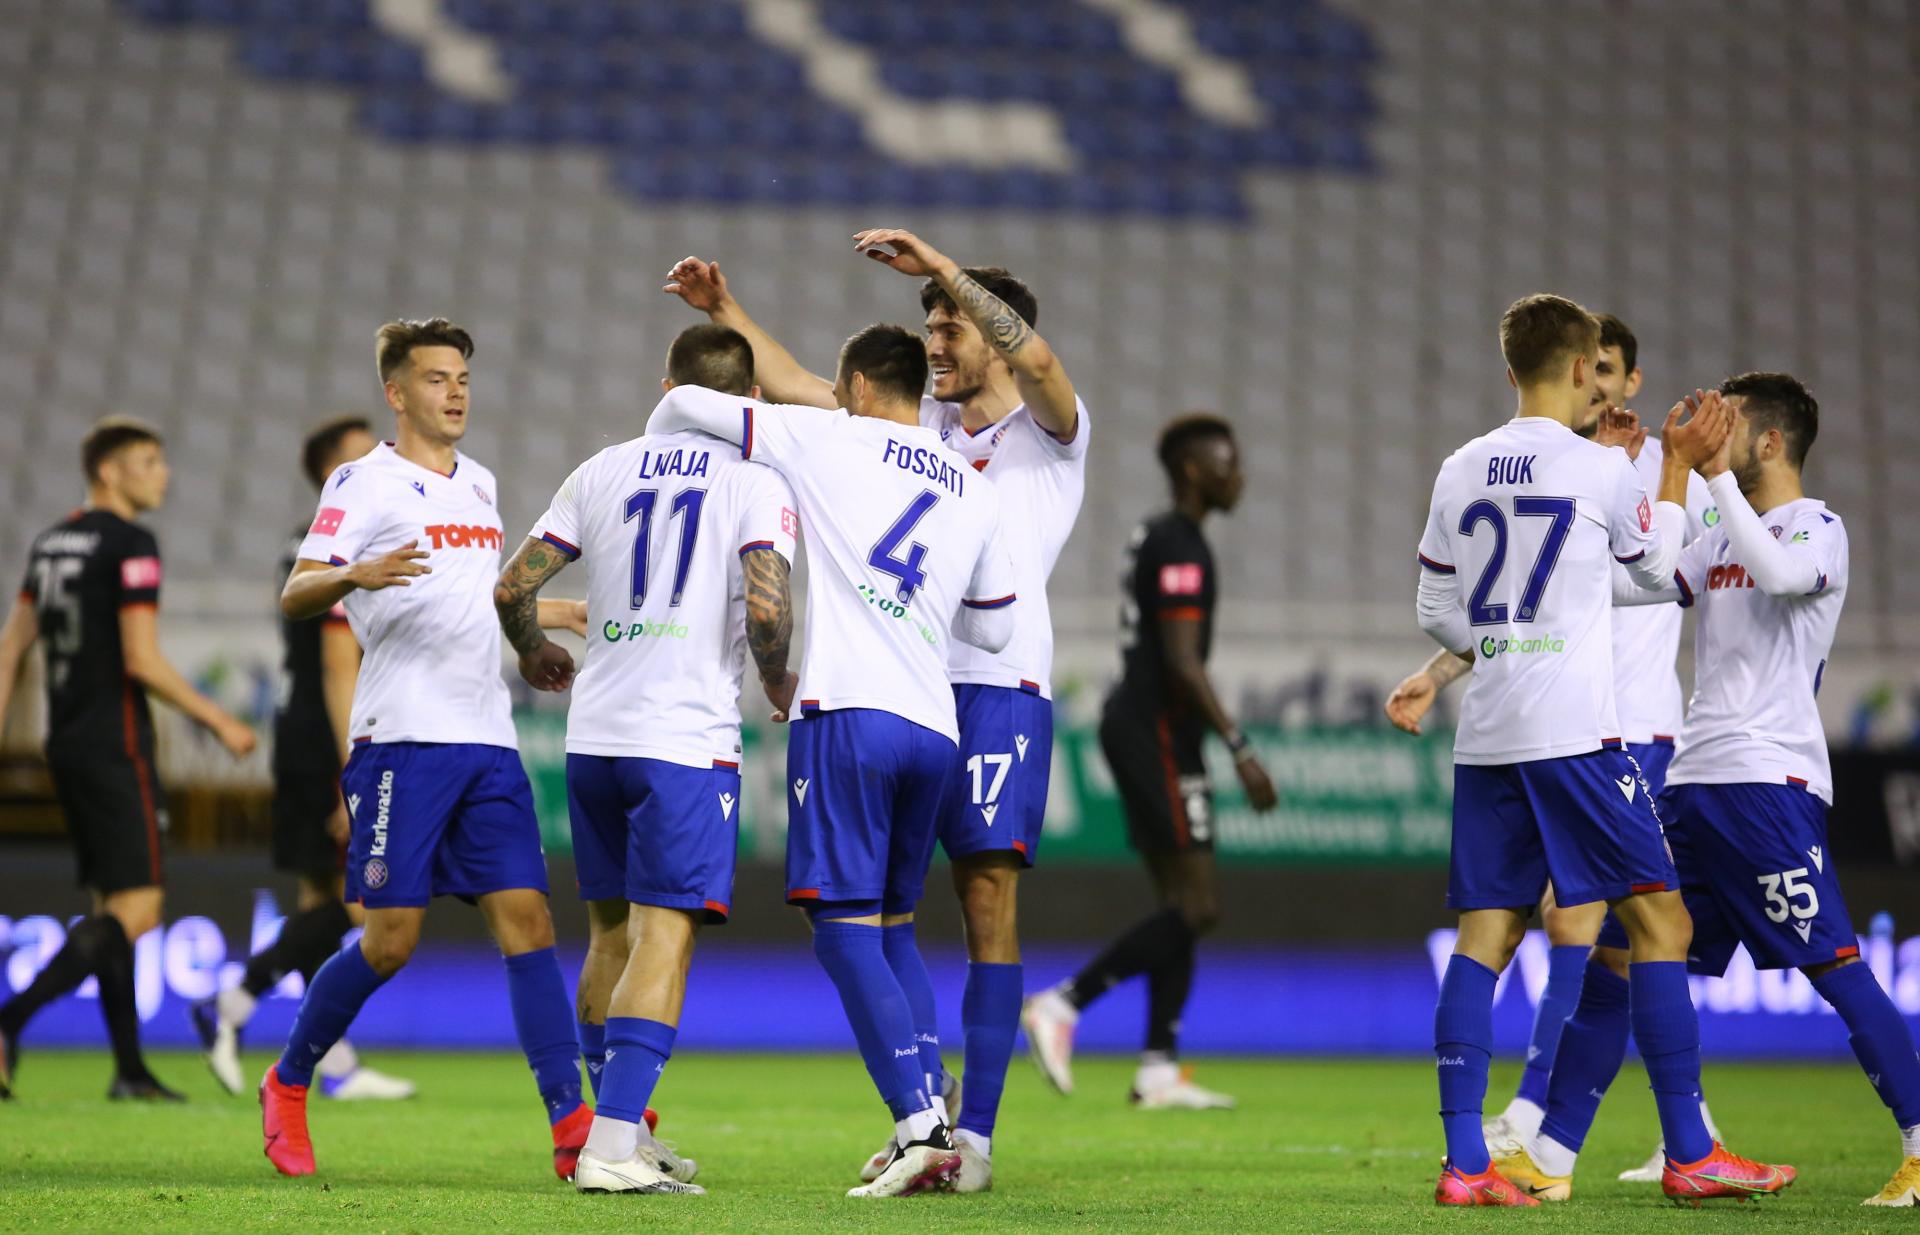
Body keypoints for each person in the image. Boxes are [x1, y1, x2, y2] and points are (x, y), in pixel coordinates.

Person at [664, 227, 1089, 1192]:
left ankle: (970, 1137)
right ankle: (924, 1117)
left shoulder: (1052, 433)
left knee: (985, 903)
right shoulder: (919, 436)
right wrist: (729, 316)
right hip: (917, 686)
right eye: (929, 327)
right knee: (891, 912)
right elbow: (818, 392)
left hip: (1003, 687)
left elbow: (1044, 363)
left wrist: (947, 269)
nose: (935, 341)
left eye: (952, 327)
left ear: (995, 331)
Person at [1498, 375, 1920, 1206]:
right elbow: (1639, 581)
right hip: (1692, 783)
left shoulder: (1816, 527)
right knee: (1620, 959)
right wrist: (1622, 483)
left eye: (1733, 424)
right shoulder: (1724, 528)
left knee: (1836, 969)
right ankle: (1550, 1156)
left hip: (1769, 785)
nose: (1712, 434)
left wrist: (1710, 480)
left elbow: (1782, 576)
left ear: (1768, 442)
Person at [1412, 294, 1790, 1206]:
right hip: (1578, 736)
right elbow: (1661, 574)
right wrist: (1669, 469)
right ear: (1586, 370)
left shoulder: (1460, 467)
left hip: (1490, 735)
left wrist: (1517, 628)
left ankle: (1467, 1164)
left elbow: (1434, 610)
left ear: (1511, 370)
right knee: (1663, 923)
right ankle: (1692, 1151)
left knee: (1486, 938)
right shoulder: (1597, 466)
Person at [256, 319, 590, 1179]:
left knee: (529, 922)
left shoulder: (479, 486)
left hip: (486, 741)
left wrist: (540, 631)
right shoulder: (361, 482)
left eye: (464, 378)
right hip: (401, 741)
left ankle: (571, 1119)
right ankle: (289, 1081)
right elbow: (299, 590)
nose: (456, 392)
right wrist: (352, 575)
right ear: (397, 393)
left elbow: (477, 597)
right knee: (390, 941)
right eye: (437, 378)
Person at [492, 323, 799, 1196]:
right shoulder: (756, 476)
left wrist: (532, 653)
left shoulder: (603, 467)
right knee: (667, 935)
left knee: (610, 936)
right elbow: (769, 612)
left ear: (668, 384)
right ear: (751, 402)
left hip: (596, 736)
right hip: (683, 742)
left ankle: (610, 1124)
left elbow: (514, 586)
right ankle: (613, 1146)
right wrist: (778, 682)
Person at [1019, 413, 1276, 1109]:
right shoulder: (1181, 543)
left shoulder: (1158, 534)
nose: (1239, 474)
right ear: (1194, 469)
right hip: (1158, 727)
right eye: (1227, 461)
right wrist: (1241, 747)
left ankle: (1158, 1063)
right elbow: (1183, 663)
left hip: (1145, 722)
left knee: (1179, 905)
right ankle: (1064, 1002)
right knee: (1200, 904)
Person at [0, 417, 257, 1100]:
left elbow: (9, 647)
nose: (162, 473)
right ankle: (8, 1020)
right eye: (148, 461)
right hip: (116, 742)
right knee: (138, 910)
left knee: (108, 904)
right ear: (109, 470)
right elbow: (141, 658)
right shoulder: (132, 544)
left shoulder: (50, 542)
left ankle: (130, 1070)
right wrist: (218, 718)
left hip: (66, 741)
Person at [191, 415, 414, 1102]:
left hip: (300, 734)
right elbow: (334, 661)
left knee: (320, 900)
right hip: (328, 736)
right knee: (356, 910)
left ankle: (335, 1062)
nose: (381, 456)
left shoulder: (307, 542)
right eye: (359, 454)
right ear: (332, 473)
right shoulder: (342, 542)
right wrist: (355, 767)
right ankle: (234, 999)